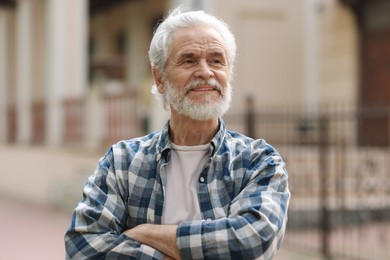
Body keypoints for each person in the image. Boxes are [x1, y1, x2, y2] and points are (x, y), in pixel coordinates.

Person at [65, 8, 290, 260]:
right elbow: (83, 246)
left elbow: (252, 242)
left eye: (216, 60)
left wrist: (148, 233)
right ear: (159, 77)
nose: (206, 72)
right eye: (189, 60)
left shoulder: (258, 162)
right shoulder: (122, 162)